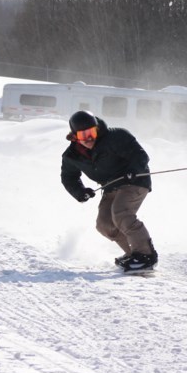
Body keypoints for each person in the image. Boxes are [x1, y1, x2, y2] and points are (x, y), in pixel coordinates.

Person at [61, 110, 158, 272]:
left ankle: (146, 255)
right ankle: (134, 253)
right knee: (104, 224)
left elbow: (139, 155)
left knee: (121, 212)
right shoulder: (71, 156)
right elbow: (68, 177)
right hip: (110, 187)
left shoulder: (116, 137)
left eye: (92, 132)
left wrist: (133, 170)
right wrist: (80, 192)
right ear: (74, 136)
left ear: (97, 129)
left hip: (134, 181)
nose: (89, 138)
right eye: (84, 135)